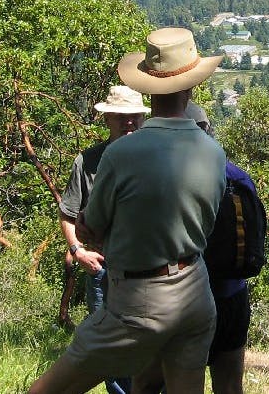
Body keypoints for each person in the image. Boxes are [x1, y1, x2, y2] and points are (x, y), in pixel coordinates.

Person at [29, 27, 227, 394]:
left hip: (139, 299)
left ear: (149, 87)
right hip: (197, 294)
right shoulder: (212, 152)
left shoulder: (121, 154)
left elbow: (90, 225)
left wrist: (95, 232)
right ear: (191, 86)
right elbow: (208, 221)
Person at [132, 103, 257, 394]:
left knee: (149, 382)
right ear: (208, 129)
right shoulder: (237, 176)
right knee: (228, 385)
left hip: (180, 294)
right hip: (233, 293)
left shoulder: (167, 176)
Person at [58, 85, 151, 394]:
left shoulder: (155, 161)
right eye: (121, 117)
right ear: (107, 118)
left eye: (134, 117)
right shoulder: (87, 162)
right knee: (110, 350)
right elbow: (68, 214)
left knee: (150, 348)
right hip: (102, 269)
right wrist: (77, 251)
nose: (129, 123)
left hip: (147, 272)